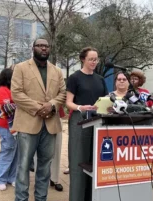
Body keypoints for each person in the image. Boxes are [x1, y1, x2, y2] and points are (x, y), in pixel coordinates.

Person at [11, 38, 66, 201]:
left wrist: (52, 105)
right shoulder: (21, 68)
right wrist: (39, 108)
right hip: (28, 124)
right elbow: (16, 94)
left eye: (46, 46)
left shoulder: (57, 71)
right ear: (33, 48)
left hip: (50, 125)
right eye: (40, 46)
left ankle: (41, 198)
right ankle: (21, 198)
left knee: (45, 166)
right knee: (24, 166)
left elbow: (62, 93)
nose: (44, 48)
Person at [66, 47, 108, 201]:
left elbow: (105, 100)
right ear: (83, 59)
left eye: (96, 59)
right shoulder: (74, 78)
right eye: (91, 59)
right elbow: (68, 103)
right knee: (79, 160)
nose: (94, 62)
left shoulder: (100, 79)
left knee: (95, 161)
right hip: (80, 121)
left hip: (98, 122)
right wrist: (80, 107)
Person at [0, 68, 18, 191]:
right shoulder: (1, 90)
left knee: (16, 153)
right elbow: (7, 108)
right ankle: (1, 179)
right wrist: (23, 104)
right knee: (7, 152)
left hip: (16, 126)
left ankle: (12, 177)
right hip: (5, 126)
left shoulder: (12, 90)